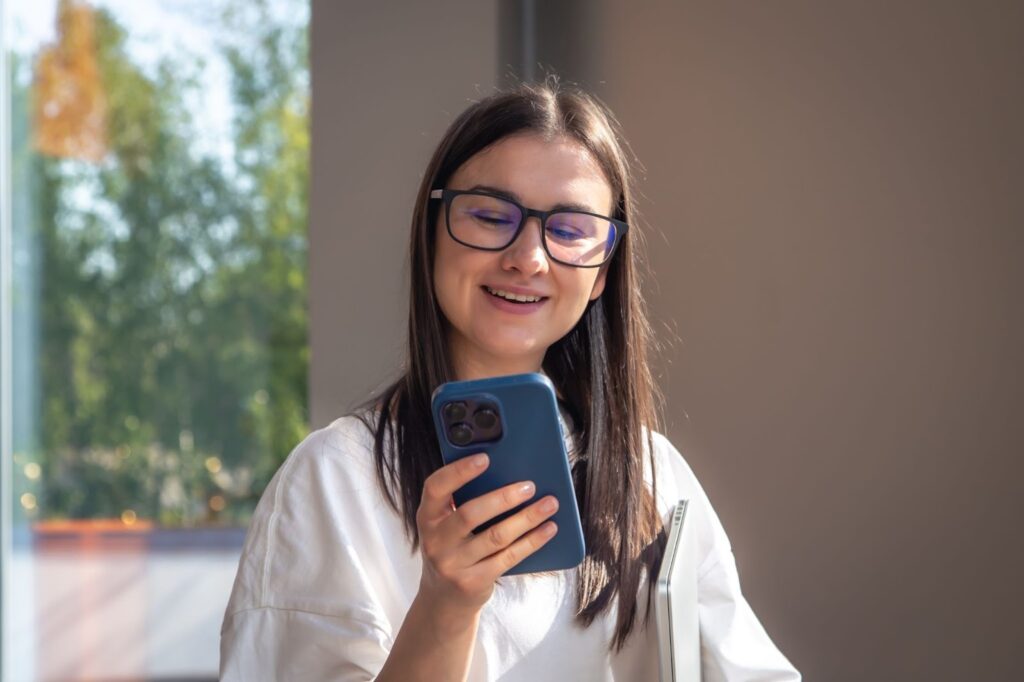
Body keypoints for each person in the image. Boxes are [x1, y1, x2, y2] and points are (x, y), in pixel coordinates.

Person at [219, 81, 801, 681]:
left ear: (602, 273)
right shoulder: (334, 478)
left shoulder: (652, 473)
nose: (529, 257)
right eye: (491, 216)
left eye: (572, 230)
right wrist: (445, 607)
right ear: (431, 234)